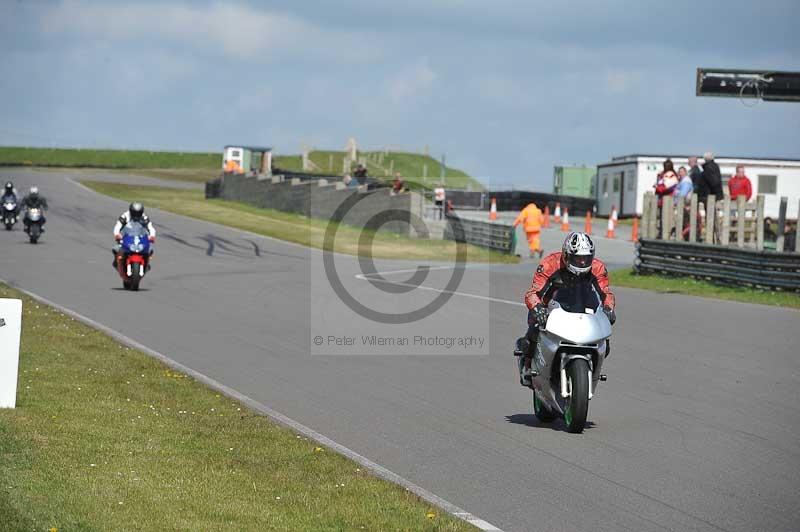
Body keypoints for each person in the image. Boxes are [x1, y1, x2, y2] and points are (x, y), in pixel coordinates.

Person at [514, 232, 616, 386]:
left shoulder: (598, 268)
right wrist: (537, 308)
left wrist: (609, 309)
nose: (582, 262)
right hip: (550, 305)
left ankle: (591, 370)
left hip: (582, 304)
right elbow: (532, 293)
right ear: (567, 255)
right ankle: (527, 366)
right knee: (533, 332)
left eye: (586, 258)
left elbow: (606, 293)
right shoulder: (549, 264)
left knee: (604, 342)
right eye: (578, 258)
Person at [112, 202, 156, 268]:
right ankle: (116, 261)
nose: (136, 215)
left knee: (150, 249)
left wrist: (152, 236)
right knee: (115, 249)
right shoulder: (124, 216)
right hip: (126, 237)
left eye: (138, 213)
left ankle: (147, 263)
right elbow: (117, 226)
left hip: (141, 238)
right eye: (134, 213)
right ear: (131, 211)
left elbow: (151, 228)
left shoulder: (144, 218)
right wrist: (117, 234)